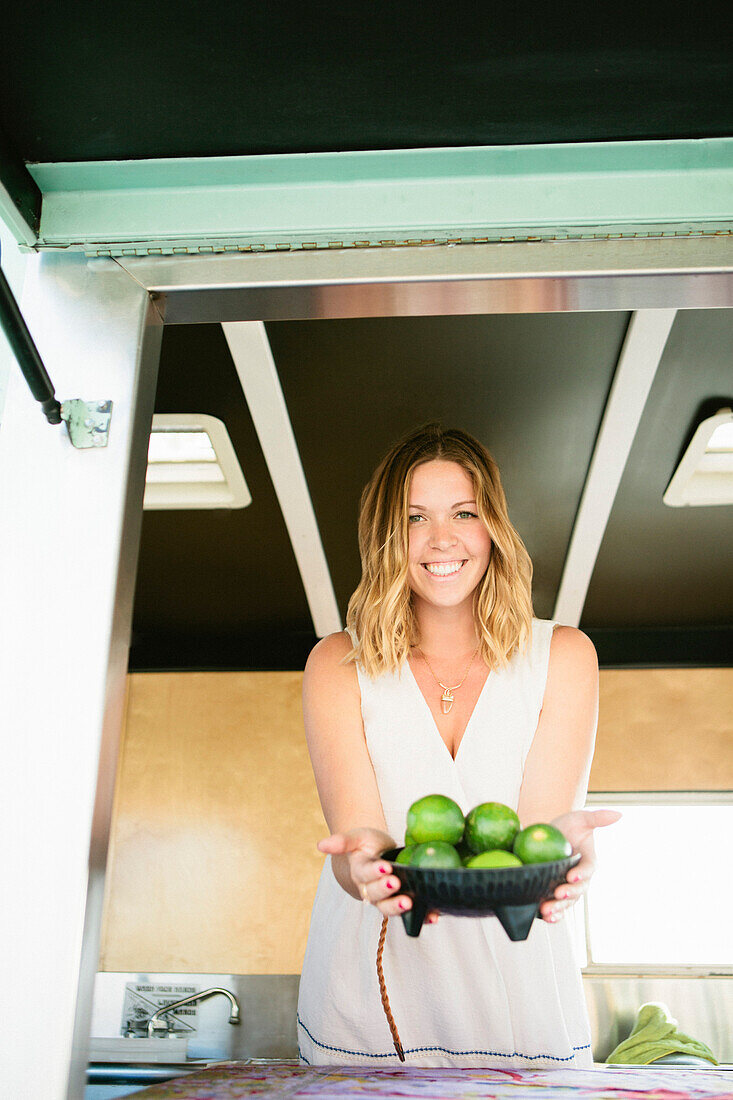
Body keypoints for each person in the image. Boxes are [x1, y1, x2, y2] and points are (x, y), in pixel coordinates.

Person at [296, 423, 621, 1069]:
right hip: (370, 988)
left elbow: (536, 831)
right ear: (386, 538)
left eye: (463, 513)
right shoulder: (336, 663)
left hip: (517, 985)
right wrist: (361, 867)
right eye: (414, 517)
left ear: (492, 527)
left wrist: (566, 851)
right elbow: (353, 841)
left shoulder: (562, 655)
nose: (441, 539)